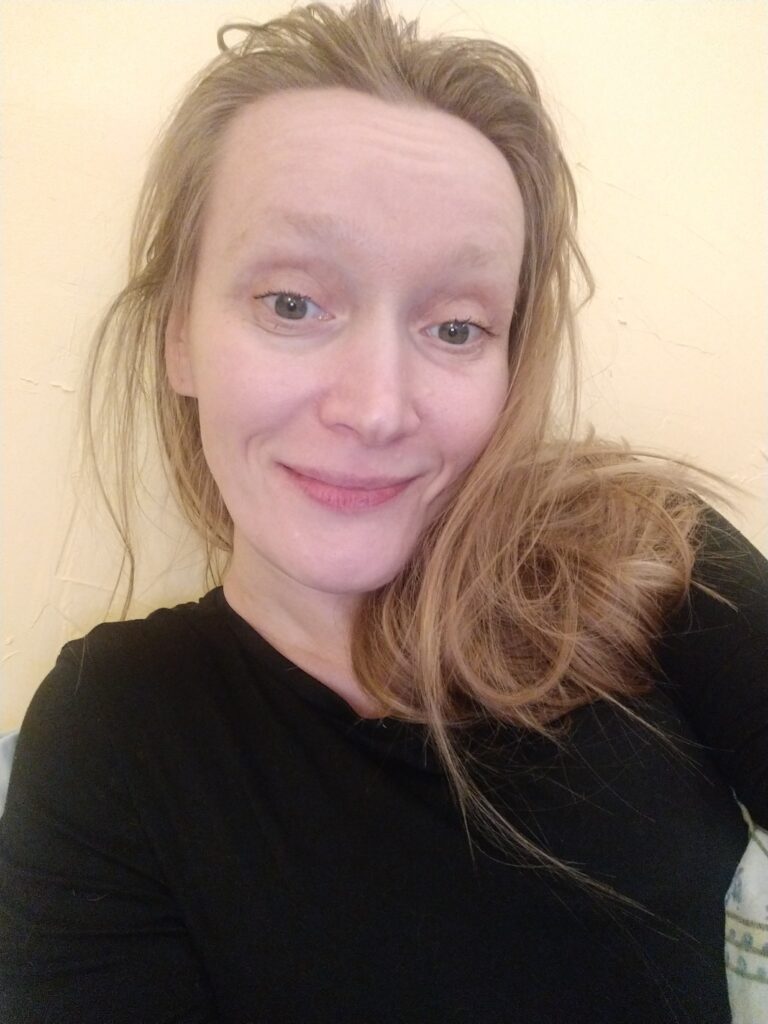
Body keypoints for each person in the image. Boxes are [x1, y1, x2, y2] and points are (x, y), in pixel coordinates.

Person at [1, 1, 766, 1021]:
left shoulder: (650, 556)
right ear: (180, 334)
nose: (375, 409)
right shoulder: (114, 730)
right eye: (291, 304)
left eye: (456, 326)